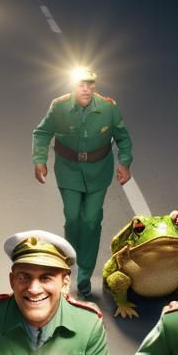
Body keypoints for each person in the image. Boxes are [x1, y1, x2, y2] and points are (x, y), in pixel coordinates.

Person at [31, 67, 133, 299]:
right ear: (72, 86)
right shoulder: (59, 107)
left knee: (91, 221)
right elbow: (42, 132)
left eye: (90, 84)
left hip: (99, 172)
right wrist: (39, 160)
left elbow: (123, 138)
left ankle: (84, 274)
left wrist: (124, 163)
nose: (86, 89)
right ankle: (70, 260)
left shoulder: (108, 108)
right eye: (81, 84)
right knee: (74, 217)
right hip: (68, 172)